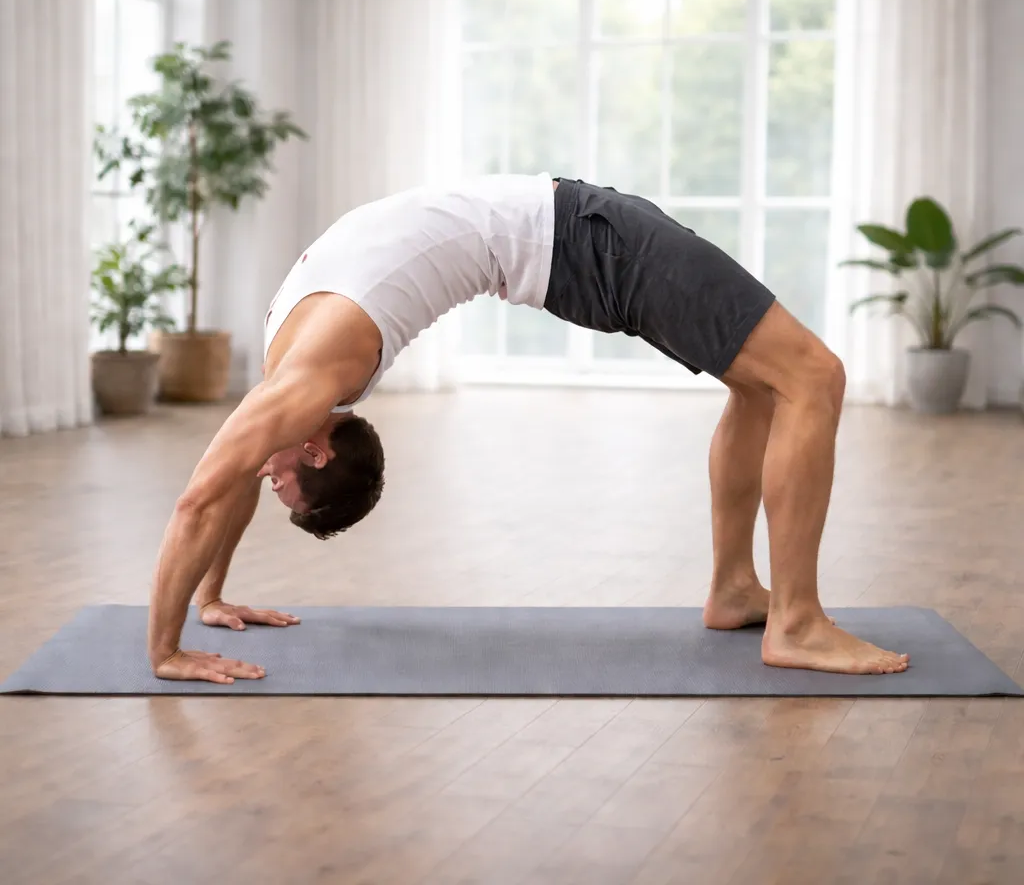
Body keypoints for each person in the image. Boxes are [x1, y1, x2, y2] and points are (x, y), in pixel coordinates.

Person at [147, 173, 910, 685]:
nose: (265, 476)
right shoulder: (298, 372)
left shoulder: (303, 382)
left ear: (313, 446)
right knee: (807, 376)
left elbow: (200, 501)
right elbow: (228, 488)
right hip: (582, 242)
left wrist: (167, 649)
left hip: (589, 238)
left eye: (280, 483)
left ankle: (752, 597)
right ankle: (788, 620)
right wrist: (210, 595)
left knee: (781, 382)